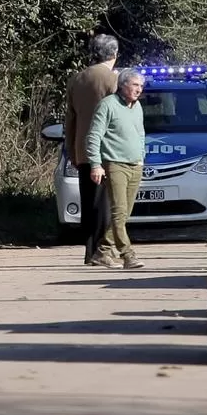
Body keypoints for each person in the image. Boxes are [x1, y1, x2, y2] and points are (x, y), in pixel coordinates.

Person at [64, 34, 119, 265]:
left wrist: (72, 150)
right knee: (106, 202)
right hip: (107, 150)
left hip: (82, 149)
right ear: (114, 54)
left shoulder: (76, 79)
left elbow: (70, 120)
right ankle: (102, 252)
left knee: (89, 203)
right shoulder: (113, 79)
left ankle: (90, 252)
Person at [85, 68, 147, 270]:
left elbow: (140, 134)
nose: (139, 89)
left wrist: (141, 157)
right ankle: (128, 254)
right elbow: (94, 136)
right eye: (135, 85)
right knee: (119, 212)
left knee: (124, 214)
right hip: (115, 165)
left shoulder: (137, 107)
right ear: (123, 85)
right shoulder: (108, 105)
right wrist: (95, 164)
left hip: (135, 165)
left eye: (141, 86)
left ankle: (102, 253)